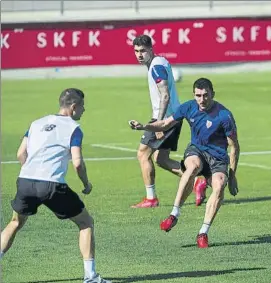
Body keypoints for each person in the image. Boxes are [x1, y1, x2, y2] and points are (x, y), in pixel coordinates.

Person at [0, 88, 111, 283]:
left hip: (25, 181)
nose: (84, 110)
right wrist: (86, 183)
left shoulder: (36, 123)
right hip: (51, 185)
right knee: (86, 222)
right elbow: (77, 162)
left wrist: (31, 173)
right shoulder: (73, 128)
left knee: (15, 222)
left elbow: (20, 153)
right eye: (83, 106)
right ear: (74, 107)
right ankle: (91, 277)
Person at [128, 78, 240, 248]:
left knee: (219, 185)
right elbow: (165, 123)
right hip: (197, 151)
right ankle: (174, 214)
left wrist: (232, 176)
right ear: (194, 95)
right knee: (192, 166)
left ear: (213, 94)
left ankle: (203, 232)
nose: (202, 99)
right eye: (198, 95)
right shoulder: (188, 107)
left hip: (218, 158)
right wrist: (144, 127)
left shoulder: (224, 115)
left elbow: (234, 146)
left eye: (205, 95)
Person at [131, 35, 207, 208]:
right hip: (174, 117)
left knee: (143, 154)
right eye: (136, 51)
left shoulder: (156, 67)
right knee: (161, 159)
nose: (139, 55)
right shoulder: (160, 62)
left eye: (143, 51)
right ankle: (197, 182)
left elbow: (164, 94)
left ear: (151, 49)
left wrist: (159, 123)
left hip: (165, 118)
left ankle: (151, 198)